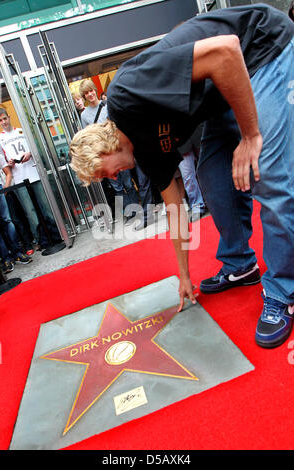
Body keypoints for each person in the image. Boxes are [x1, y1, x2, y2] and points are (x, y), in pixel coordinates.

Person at [70, 4, 294, 349]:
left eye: (104, 172)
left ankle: (283, 292)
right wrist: (184, 276)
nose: (112, 178)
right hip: (220, 94)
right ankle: (240, 264)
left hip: (259, 49)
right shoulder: (143, 153)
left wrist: (250, 136)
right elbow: (176, 211)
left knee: (269, 176)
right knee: (212, 178)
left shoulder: (127, 93)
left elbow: (226, 51)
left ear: (103, 150)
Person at [79, 79, 153, 229]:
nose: (90, 94)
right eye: (86, 93)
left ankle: (142, 212)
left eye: (91, 90)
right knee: (118, 187)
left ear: (95, 90)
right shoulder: (85, 115)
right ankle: (131, 212)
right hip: (106, 157)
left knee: (132, 183)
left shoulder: (108, 105)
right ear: (84, 96)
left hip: (122, 149)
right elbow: (88, 138)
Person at [0, 108, 61, 249]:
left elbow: (35, 148)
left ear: (9, 117)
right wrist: (10, 163)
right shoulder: (0, 139)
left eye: (5, 118)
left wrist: (29, 153)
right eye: (0, 120)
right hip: (18, 178)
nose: (4, 122)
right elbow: (3, 161)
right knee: (30, 211)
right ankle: (42, 240)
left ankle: (56, 234)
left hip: (33, 172)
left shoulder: (21, 131)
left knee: (46, 206)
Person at [0, 154, 32, 273]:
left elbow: (8, 173)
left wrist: (5, 190)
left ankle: (17, 253)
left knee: (7, 221)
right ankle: (6, 258)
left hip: (0, 190)